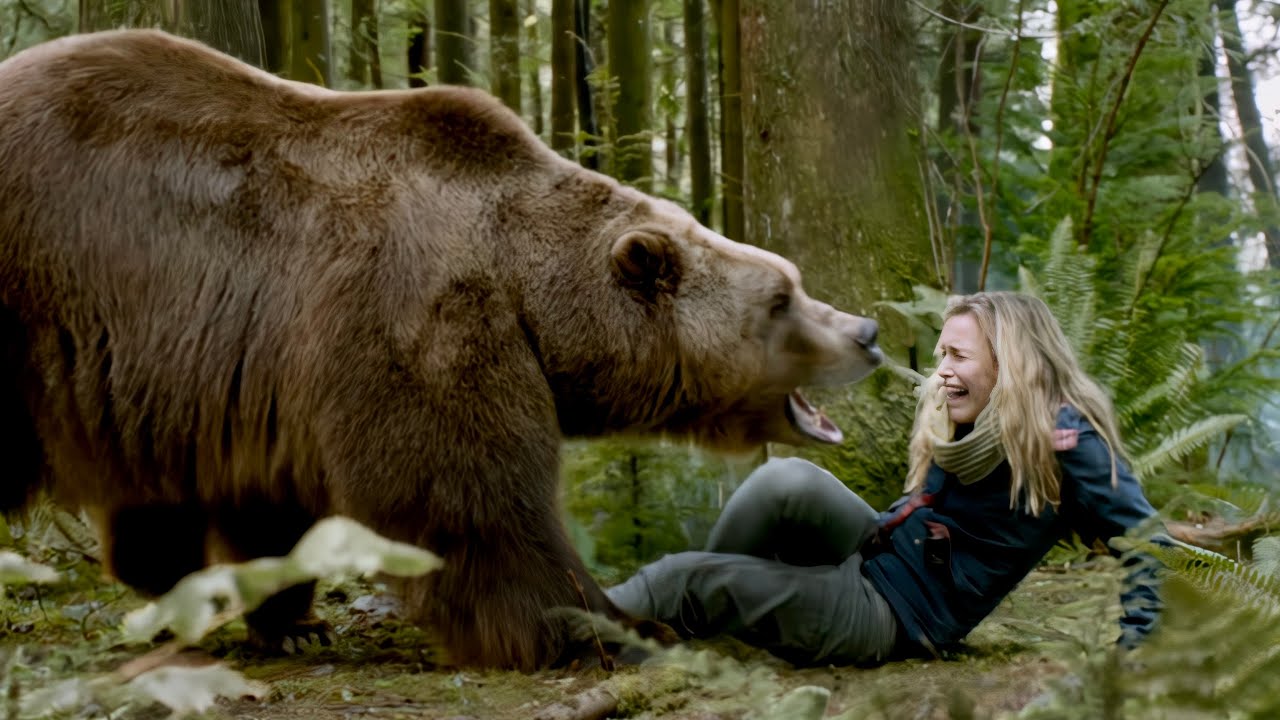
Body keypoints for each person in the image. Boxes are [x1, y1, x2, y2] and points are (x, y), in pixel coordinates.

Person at [606, 291, 1165, 666]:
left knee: (678, 580)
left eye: (959, 356)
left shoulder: (1064, 438)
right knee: (785, 481)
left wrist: (1134, 659)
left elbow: (1149, 545)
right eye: (942, 352)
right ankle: (704, 622)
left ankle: (568, 635)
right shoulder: (976, 417)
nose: (942, 369)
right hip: (886, 548)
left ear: (1012, 363)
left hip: (897, 612)